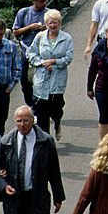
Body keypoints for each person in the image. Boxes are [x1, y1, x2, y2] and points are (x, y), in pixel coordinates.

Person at [0, 106, 65, 214]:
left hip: (33, 198)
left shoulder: (45, 141)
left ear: (32, 120)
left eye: (26, 120)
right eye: (19, 121)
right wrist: (4, 185)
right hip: (13, 199)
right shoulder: (6, 142)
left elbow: (54, 171)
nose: (22, 124)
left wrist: (58, 197)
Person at [27, 8, 74, 140]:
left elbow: (68, 58)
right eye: (50, 23)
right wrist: (42, 62)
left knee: (57, 110)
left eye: (55, 22)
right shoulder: (40, 37)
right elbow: (31, 53)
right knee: (42, 113)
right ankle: (46, 142)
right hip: (41, 80)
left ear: (60, 23)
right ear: (46, 24)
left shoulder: (67, 38)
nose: (53, 25)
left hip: (57, 80)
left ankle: (57, 123)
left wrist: (55, 62)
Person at [12, 0, 48, 107]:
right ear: (33, 1)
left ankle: (40, 106)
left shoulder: (49, 13)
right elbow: (16, 32)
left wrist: (45, 28)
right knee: (25, 82)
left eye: (45, 0)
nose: (44, 3)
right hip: (26, 52)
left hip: (42, 53)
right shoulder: (24, 13)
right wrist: (30, 27)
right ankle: (31, 105)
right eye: (41, 1)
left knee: (42, 81)